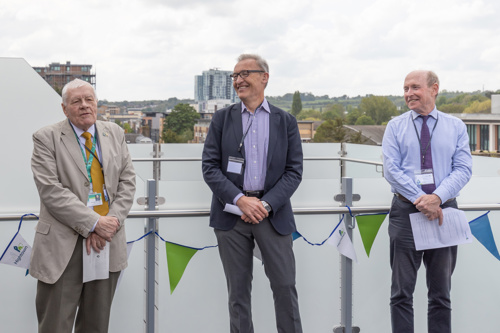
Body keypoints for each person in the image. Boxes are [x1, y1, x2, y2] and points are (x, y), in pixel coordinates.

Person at [202, 54, 303, 333]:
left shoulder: (286, 121)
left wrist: (266, 205)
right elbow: (210, 168)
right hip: (232, 217)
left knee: (285, 288)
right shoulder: (223, 119)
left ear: (264, 78)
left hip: (273, 216)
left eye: (245, 73)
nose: (238, 80)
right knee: (238, 295)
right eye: (235, 76)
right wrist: (240, 200)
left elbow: (294, 172)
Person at [30, 79, 136, 333]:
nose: (84, 106)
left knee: (96, 325)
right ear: (65, 109)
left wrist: (110, 223)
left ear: (97, 104)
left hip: (107, 242)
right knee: (55, 325)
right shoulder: (46, 137)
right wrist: (94, 224)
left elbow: (127, 181)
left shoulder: (115, 133)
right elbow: (51, 191)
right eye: (76, 101)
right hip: (63, 245)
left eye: (89, 100)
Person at [382, 70, 472, 333]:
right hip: (405, 212)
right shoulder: (394, 126)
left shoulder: (455, 126)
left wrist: (437, 198)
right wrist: (421, 200)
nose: (408, 94)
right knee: (401, 293)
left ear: (434, 89)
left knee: (441, 294)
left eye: (415, 88)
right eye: (405, 88)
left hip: (444, 213)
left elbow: (463, 168)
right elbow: (391, 170)